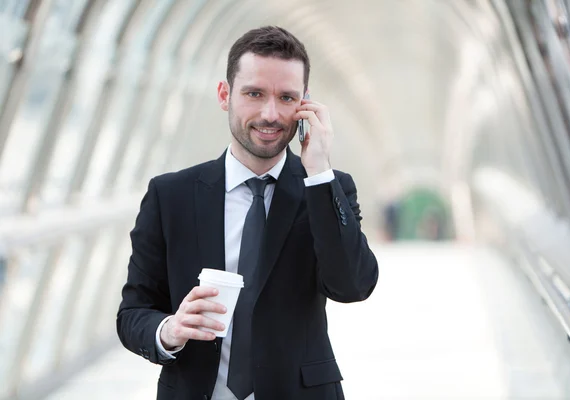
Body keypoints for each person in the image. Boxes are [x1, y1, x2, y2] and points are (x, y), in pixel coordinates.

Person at [116, 26, 379, 400]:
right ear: (225, 95)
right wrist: (169, 330)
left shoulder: (326, 189)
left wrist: (319, 172)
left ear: (305, 104)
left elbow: (353, 285)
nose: (270, 114)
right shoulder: (170, 195)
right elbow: (133, 313)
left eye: (286, 98)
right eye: (254, 94)